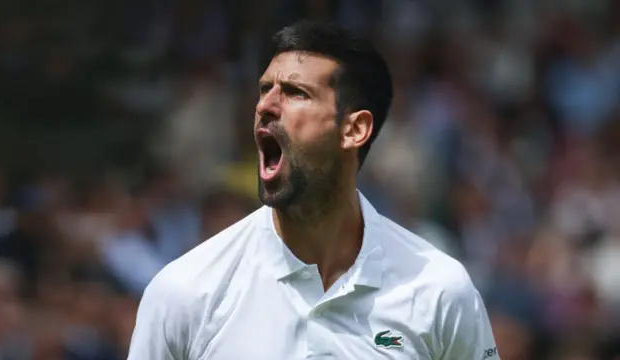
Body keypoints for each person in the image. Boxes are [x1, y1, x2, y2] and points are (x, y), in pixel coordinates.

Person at [127, 20, 499, 360]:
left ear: (354, 130)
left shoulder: (440, 290)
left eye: (294, 92)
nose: (265, 105)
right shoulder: (183, 294)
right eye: (264, 89)